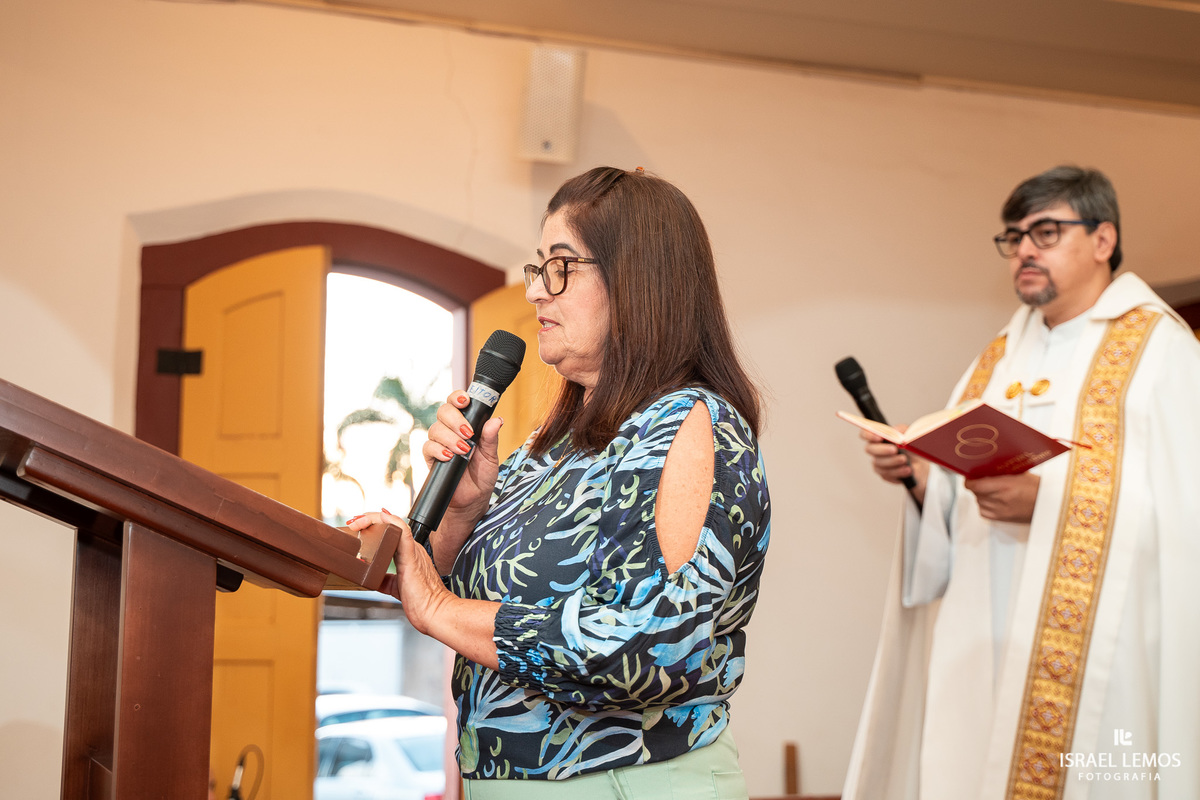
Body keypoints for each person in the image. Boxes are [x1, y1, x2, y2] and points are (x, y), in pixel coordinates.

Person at [349, 166, 771, 799]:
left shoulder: (687, 423)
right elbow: (470, 604)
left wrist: (436, 607)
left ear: (637, 280)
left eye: (560, 268)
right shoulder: (550, 448)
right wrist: (462, 512)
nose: (535, 293)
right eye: (538, 268)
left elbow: (643, 647)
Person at [842, 165, 1200, 800]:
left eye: (1046, 231)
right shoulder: (999, 358)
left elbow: (1183, 514)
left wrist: (1049, 504)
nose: (1025, 250)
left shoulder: (1161, 352)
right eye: (1014, 237)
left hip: (1102, 648)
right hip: (983, 639)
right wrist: (923, 481)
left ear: (1104, 239)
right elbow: (958, 503)